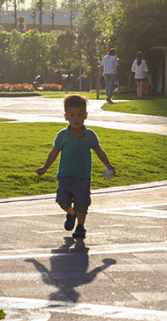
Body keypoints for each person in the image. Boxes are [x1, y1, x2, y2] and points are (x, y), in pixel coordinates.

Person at [35, 94, 115, 239]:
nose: (76, 118)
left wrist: (108, 164)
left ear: (86, 115)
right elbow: (54, 152)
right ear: (66, 117)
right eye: (72, 115)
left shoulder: (90, 135)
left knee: (82, 203)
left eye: (79, 115)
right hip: (64, 176)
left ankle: (80, 227)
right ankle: (71, 214)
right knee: (62, 200)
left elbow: (99, 151)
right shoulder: (62, 135)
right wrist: (45, 167)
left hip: (83, 177)